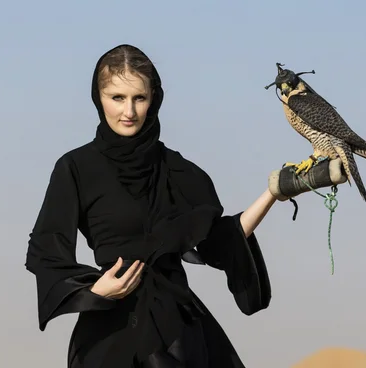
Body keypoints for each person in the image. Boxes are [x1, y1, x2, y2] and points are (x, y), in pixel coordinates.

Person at [25, 44, 344, 368]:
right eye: (117, 97)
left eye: (139, 97)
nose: (129, 111)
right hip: (107, 337)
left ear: (154, 97)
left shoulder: (177, 171)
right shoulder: (75, 168)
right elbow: (45, 250)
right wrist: (96, 289)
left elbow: (221, 240)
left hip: (176, 333)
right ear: (99, 98)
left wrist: (274, 193)